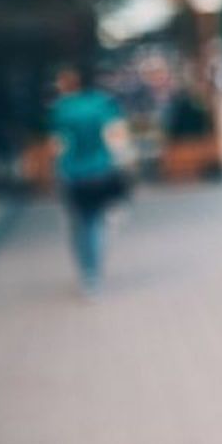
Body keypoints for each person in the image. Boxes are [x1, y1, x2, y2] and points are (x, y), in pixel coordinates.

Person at [49, 62, 131, 298]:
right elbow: (117, 139)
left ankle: (86, 272)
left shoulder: (61, 109)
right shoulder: (104, 104)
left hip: (71, 173)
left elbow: (58, 146)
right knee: (95, 223)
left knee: (77, 224)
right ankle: (93, 273)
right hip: (100, 170)